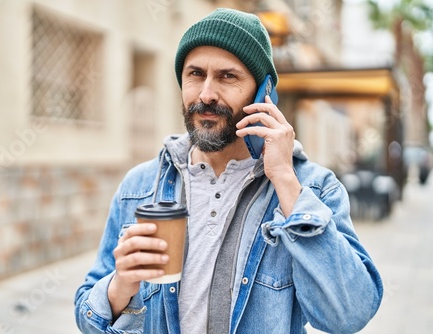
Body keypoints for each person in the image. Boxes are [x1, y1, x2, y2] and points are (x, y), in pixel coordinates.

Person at [74, 8, 383, 334]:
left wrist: (285, 182)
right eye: (195, 74)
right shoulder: (139, 185)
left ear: (264, 93)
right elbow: (87, 317)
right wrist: (121, 285)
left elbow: (349, 315)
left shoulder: (312, 188)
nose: (206, 94)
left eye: (227, 76)